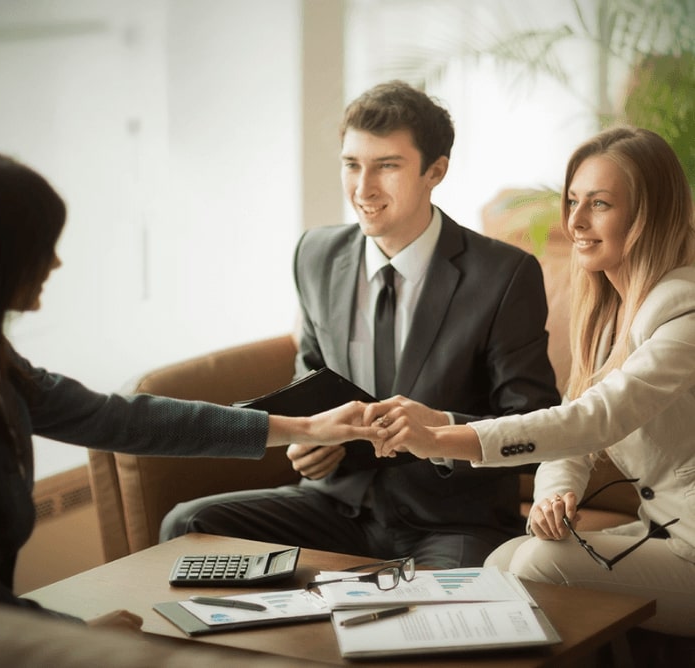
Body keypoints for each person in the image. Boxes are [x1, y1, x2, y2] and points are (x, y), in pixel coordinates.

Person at [0, 149, 384, 630]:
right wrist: (81, 637)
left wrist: (306, 427)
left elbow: (122, 420)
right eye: (43, 249)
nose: (54, 264)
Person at [159, 81, 561, 569]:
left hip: (450, 520)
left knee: (444, 617)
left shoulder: (504, 274)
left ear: (435, 171)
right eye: (352, 165)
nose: (363, 188)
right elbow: (309, 377)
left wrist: (439, 430)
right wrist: (308, 438)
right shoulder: (316, 254)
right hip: (334, 504)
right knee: (187, 525)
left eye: (387, 166)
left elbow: (536, 430)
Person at [370, 126, 695, 636]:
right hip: (667, 533)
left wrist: (439, 438)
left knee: (537, 567)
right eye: (573, 201)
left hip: (692, 547)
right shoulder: (611, 313)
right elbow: (574, 444)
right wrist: (554, 496)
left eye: (600, 204)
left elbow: (595, 418)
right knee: (502, 561)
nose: (575, 222)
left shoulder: (684, 312)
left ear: (647, 215)